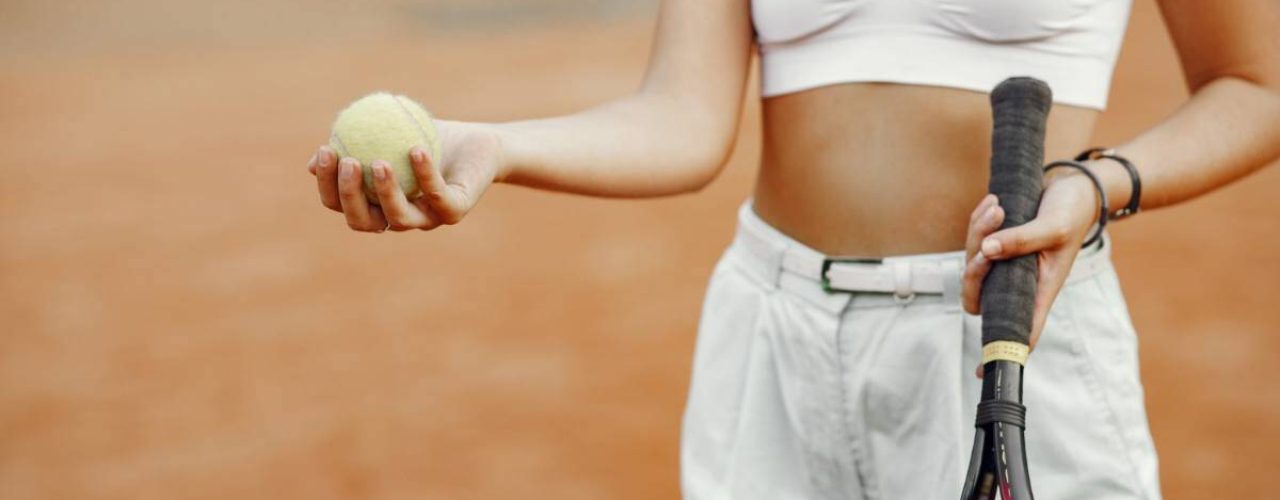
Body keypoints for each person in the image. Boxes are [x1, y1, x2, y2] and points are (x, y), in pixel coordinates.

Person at [305, 1, 1279, 497]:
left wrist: (1097, 183)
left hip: (1006, 328)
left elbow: (1256, 84)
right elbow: (682, 118)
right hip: (770, 338)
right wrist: (497, 146)